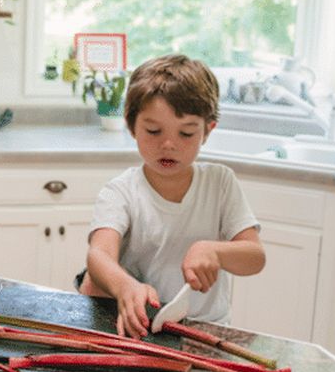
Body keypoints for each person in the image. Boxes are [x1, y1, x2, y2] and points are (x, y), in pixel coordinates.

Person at [76, 54, 265, 339]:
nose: (168, 145)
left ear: (207, 131)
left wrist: (215, 251)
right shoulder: (121, 191)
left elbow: (255, 257)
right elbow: (99, 254)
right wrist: (125, 287)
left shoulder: (220, 182)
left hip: (208, 330)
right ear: (131, 127)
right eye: (153, 131)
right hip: (141, 327)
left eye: (186, 133)